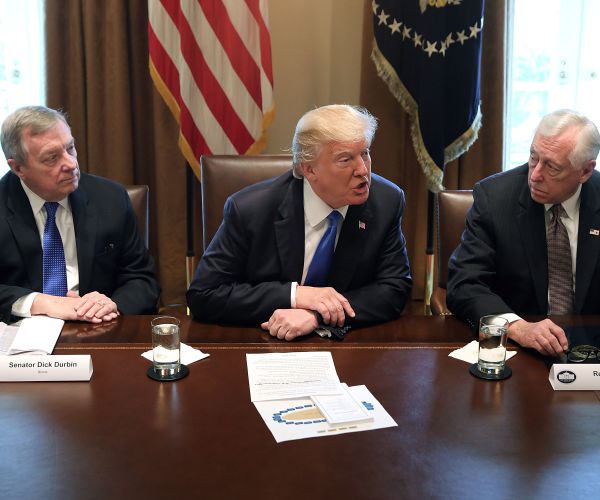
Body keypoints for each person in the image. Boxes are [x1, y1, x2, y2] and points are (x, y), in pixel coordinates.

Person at [187, 104, 412, 340]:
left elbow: (395, 289)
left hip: (346, 343)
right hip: (264, 340)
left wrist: (317, 314)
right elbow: (204, 294)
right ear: (309, 169)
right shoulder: (251, 210)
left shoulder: (386, 201)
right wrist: (296, 295)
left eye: (365, 153)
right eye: (345, 160)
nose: (363, 170)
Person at [447, 109, 600, 356]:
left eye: (552, 167)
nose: (535, 175)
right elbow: (464, 283)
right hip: (519, 348)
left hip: (591, 347)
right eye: (533, 157)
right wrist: (517, 327)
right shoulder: (494, 198)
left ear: (585, 171)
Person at [0, 105, 160, 323]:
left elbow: (142, 278)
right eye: (51, 158)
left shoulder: (110, 198)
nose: (71, 163)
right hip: (20, 333)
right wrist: (39, 302)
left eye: (70, 148)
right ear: (18, 168)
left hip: (98, 327)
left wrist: (112, 304)